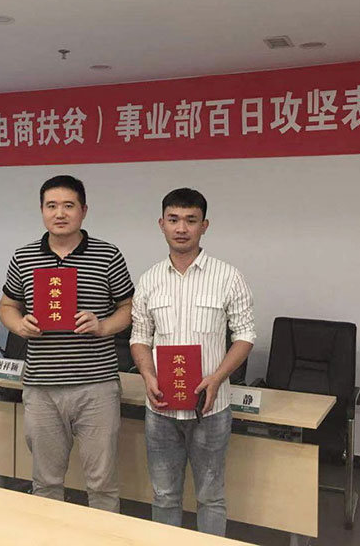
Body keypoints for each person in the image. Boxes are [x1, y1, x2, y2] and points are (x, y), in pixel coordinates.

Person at [0, 175, 134, 512]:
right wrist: (19, 325)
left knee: (102, 484)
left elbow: (130, 307)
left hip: (96, 386)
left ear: (83, 211)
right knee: (45, 482)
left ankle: (104, 535)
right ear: (42, 210)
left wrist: (103, 326)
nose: (60, 213)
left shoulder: (108, 255)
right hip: (42, 387)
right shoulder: (24, 257)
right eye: (52, 206)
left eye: (68, 206)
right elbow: (7, 305)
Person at [130, 187, 255, 536]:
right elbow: (139, 337)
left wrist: (218, 377)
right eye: (173, 220)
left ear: (204, 225)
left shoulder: (228, 277)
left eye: (190, 220)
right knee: (164, 495)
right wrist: (147, 374)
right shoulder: (150, 279)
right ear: (161, 224)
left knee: (210, 497)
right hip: (161, 410)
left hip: (210, 410)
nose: (181, 228)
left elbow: (245, 335)